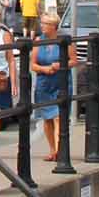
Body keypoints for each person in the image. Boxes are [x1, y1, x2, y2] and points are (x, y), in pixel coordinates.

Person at [29, 11, 67, 161]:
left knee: (58, 116)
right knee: (47, 119)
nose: (42, 26)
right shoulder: (39, 41)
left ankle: (59, 151)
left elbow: (73, 60)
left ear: (54, 26)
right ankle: (52, 149)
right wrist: (44, 69)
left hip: (60, 82)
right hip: (44, 83)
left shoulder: (64, 41)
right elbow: (33, 64)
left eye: (45, 24)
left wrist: (60, 64)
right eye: (42, 23)